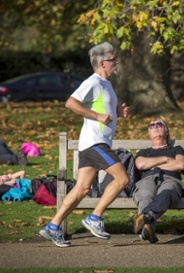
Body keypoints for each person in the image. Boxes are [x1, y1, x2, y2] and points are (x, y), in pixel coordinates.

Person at [39, 42, 130, 248]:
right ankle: (95, 218)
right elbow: (71, 103)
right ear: (101, 63)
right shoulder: (94, 82)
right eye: (112, 59)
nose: (116, 62)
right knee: (122, 178)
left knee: (82, 188)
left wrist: (117, 113)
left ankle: (53, 226)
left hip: (92, 143)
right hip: (95, 143)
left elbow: (103, 109)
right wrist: (97, 115)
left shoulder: (106, 84)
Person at [132, 118, 184, 243]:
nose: (155, 127)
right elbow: (140, 165)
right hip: (148, 179)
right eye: (151, 126)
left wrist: (152, 165)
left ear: (166, 132)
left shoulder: (176, 149)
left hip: (170, 178)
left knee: (166, 192)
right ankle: (148, 227)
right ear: (149, 134)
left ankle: (147, 218)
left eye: (159, 124)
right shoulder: (144, 151)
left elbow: (181, 165)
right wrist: (166, 159)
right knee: (144, 193)